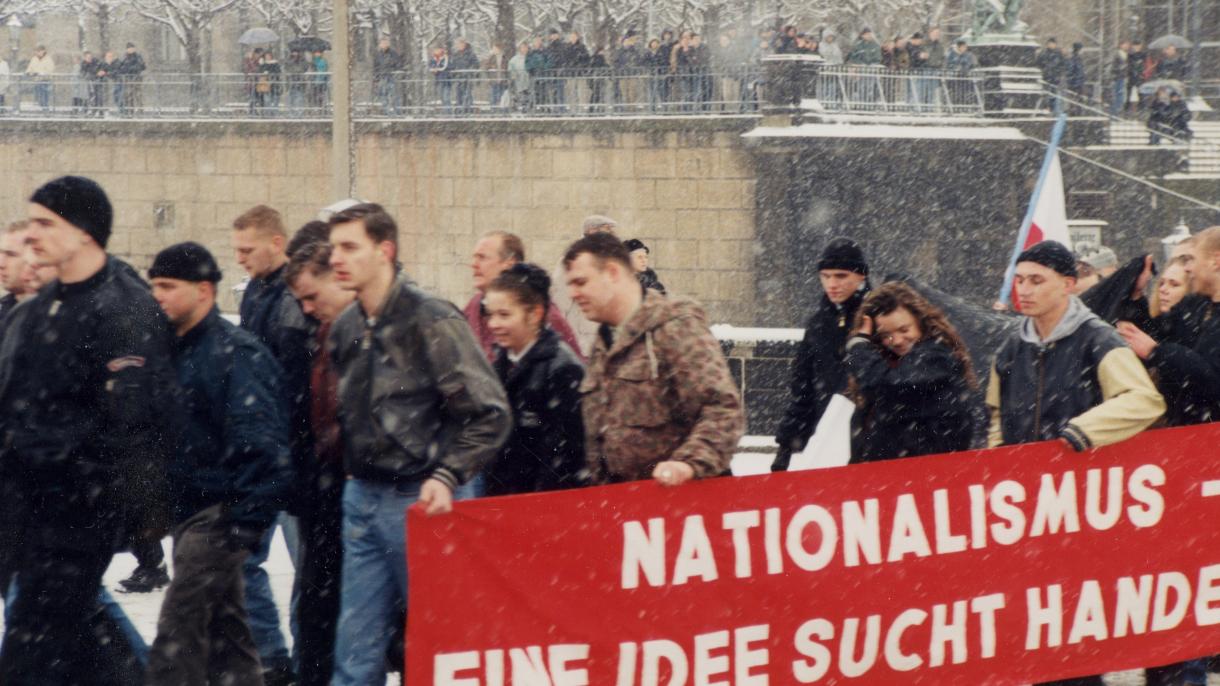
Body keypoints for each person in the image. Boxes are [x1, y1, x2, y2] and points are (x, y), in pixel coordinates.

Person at [0, 176, 179, 684]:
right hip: (27, 514)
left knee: (31, 654)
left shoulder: (123, 310)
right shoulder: (35, 312)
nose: (32, 235)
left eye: (44, 224)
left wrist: (127, 515)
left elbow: (140, 427)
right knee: (76, 645)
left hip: (78, 516)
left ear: (83, 232)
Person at [326, 203, 510, 685]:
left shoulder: (430, 319)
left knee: (445, 647)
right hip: (363, 495)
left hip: (423, 500)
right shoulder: (346, 327)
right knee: (355, 651)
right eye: (333, 248)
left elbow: (489, 412)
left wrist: (448, 474)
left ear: (385, 250)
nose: (336, 259)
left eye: (350, 247)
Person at [145, 242, 292, 686]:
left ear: (204, 291)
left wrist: (245, 522)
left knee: (178, 635)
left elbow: (262, 443)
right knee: (229, 639)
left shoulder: (235, 353)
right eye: (154, 287)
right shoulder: (170, 350)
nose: (158, 296)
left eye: (168, 287)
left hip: (219, 515)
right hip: (187, 514)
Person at [563, 232, 743, 486]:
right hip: (625, 510)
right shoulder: (604, 344)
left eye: (580, 282)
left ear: (612, 273)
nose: (572, 293)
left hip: (683, 508)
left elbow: (723, 409)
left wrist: (688, 464)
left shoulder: (674, 327)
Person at [231, 204, 313, 686]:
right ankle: (273, 656)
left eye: (247, 249)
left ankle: (301, 661)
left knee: (308, 571)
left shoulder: (290, 300)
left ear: (276, 243)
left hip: (290, 454)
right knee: (247, 560)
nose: (240, 258)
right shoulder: (257, 295)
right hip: (265, 451)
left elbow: (291, 383)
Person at [987, 240, 1164, 460]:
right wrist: (997, 454)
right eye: (1019, 280)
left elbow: (1145, 400)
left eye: (1036, 281)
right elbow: (995, 414)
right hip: (1023, 477)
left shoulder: (1099, 339)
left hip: (1081, 475)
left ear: (1067, 284)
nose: (1024, 290)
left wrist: (1083, 431)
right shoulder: (1011, 347)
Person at [284, 240, 355, 686]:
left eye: (313, 296)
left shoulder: (370, 332)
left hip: (366, 492)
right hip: (326, 492)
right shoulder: (323, 336)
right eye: (301, 301)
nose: (308, 309)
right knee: (317, 610)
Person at [845, 282, 980, 462]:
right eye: (886, 335)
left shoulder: (936, 358)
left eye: (904, 329)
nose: (897, 341)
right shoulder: (882, 367)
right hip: (885, 481)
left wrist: (859, 346)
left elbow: (891, 386)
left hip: (926, 479)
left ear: (920, 321)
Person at [481, 263, 585, 495]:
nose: (493, 324)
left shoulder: (563, 369)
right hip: (500, 501)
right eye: (490, 315)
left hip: (539, 506)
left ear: (535, 313)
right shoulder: (498, 364)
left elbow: (567, 459)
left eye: (504, 315)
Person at [772, 238, 871, 471]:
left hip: (868, 438)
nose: (831, 284)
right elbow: (803, 389)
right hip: (826, 438)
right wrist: (785, 446)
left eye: (840, 276)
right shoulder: (818, 324)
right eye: (825, 276)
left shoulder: (878, 317)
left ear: (861, 277)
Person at [465, 230, 580, 361]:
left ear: (509, 263)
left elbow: (570, 364)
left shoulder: (544, 313)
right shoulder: (473, 306)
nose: (473, 264)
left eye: (482, 257)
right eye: (474, 257)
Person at [551, 215, 619, 356]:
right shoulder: (572, 259)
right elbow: (560, 299)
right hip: (581, 340)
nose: (612, 234)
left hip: (602, 340)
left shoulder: (608, 259)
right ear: (592, 231)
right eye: (607, 229)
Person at [373, 38, 402, 115]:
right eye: (382, 43)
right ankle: (386, 112)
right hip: (382, 77)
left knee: (394, 94)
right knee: (382, 95)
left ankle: (397, 112)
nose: (384, 45)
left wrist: (392, 70)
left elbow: (398, 64)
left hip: (391, 76)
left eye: (385, 43)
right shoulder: (378, 54)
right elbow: (376, 66)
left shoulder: (393, 53)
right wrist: (376, 78)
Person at [116, 42, 146, 114]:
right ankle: (130, 110)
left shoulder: (138, 56)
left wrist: (129, 68)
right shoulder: (125, 57)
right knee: (129, 96)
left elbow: (141, 66)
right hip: (128, 79)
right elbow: (120, 68)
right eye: (129, 48)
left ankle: (140, 110)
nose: (131, 50)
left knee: (138, 95)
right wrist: (128, 69)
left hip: (136, 79)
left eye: (132, 48)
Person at [25, 45, 55, 111]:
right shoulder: (34, 59)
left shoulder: (48, 59)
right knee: (39, 97)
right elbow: (30, 68)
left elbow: (50, 70)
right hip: (37, 80)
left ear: (43, 51)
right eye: (36, 51)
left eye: (39, 51)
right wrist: (29, 72)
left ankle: (45, 109)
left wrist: (41, 73)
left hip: (45, 80)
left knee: (45, 96)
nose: (37, 52)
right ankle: (43, 107)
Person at [1109, 41, 1129, 116]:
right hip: (1118, 77)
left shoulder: (1126, 54)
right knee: (1117, 94)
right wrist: (1120, 68)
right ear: (1121, 45)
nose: (1126, 46)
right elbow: (1113, 67)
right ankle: (1115, 111)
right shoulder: (1117, 54)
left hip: (1123, 77)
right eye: (1125, 44)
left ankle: (1119, 110)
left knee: (1121, 94)